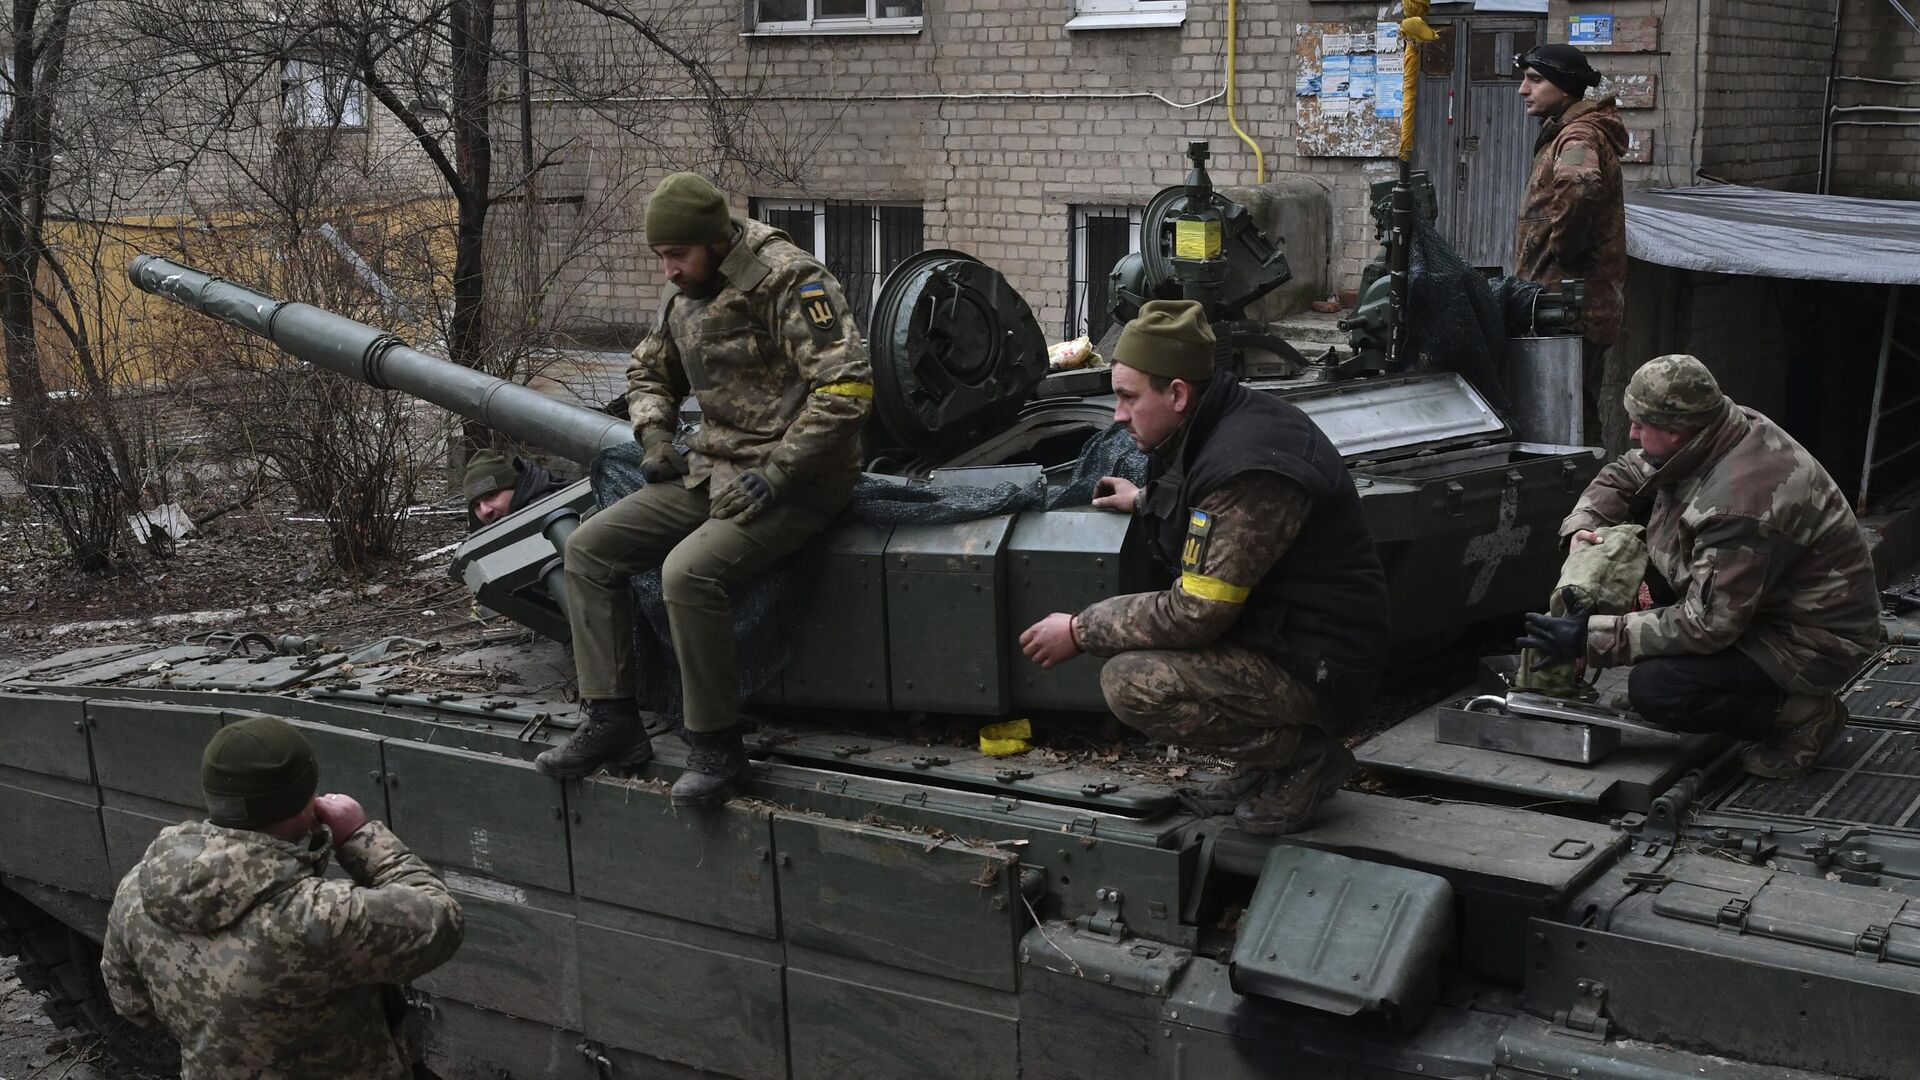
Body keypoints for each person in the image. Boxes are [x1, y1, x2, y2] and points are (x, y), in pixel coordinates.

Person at [540, 172, 871, 807]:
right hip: (712, 467)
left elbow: (847, 389)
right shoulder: (686, 290)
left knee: (687, 573)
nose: (668, 270)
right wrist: (656, 434)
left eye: (677, 256)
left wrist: (778, 473)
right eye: (661, 257)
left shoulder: (790, 281)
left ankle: (717, 747)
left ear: (717, 241)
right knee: (588, 549)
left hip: (800, 479)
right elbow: (647, 368)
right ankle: (613, 722)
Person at [1019, 300, 1390, 835]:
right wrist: (1144, 499)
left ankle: (1301, 756)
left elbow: (1195, 612)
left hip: (1319, 665)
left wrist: (1081, 629)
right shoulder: (1220, 423)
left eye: (1127, 398)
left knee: (1132, 682)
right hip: (1287, 636)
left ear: (1176, 393)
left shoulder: (1249, 466)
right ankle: (1266, 763)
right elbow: (1206, 509)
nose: (1118, 415)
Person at [1519, 355, 1882, 778]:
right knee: (1622, 579)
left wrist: (1591, 638)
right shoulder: (1712, 430)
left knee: (1658, 688)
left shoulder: (1739, 505)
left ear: (1675, 431)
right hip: (1757, 605)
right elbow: (1624, 472)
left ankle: (1803, 714)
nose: (1633, 433)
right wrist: (1585, 524)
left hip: (1810, 640)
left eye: (1641, 424)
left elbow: (1708, 626)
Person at [100, 715, 464, 1079]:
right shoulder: (317, 916)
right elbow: (441, 920)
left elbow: (132, 1004)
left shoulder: (137, 886)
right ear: (306, 805)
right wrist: (359, 835)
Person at [1513, 43, 1627, 444]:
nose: (1524, 90)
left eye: (1535, 80)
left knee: (1571, 421)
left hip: (1567, 310)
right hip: (1560, 308)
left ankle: (1589, 500)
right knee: (1573, 413)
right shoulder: (1567, 131)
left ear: (1564, 88)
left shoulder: (1577, 133)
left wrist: (1563, 250)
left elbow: (1580, 186)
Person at [465, 449, 568, 527]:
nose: (485, 511)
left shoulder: (551, 510)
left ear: (516, 486)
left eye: (491, 495)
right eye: (477, 505)